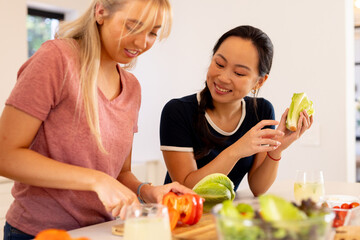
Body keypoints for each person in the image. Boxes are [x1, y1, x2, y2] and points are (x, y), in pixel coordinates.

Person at [0, 0, 193, 239]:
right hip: (38, 232)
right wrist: (96, 180)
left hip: (101, 232)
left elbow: (120, 174)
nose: (142, 43)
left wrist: (150, 192)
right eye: (133, 27)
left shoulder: (132, 87)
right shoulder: (57, 59)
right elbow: (5, 156)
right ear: (100, 11)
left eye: (153, 33)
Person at [160, 25, 313, 196]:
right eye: (219, 64)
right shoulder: (177, 111)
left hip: (224, 215)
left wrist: (276, 150)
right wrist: (237, 150)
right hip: (179, 214)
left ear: (259, 82)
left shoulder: (261, 111)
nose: (223, 78)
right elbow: (187, 189)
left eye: (239, 73)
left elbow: (258, 188)